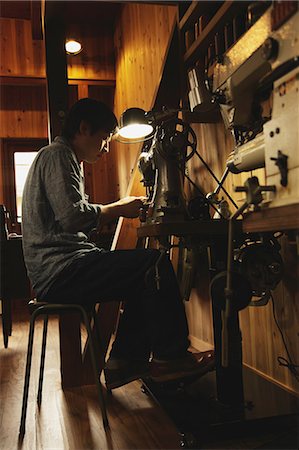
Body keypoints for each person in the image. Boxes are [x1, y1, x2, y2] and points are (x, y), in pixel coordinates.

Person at [22, 98, 214, 389]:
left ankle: (123, 362)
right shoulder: (58, 155)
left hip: (59, 269)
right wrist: (118, 208)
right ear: (83, 129)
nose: (106, 147)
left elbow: (69, 218)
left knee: (144, 277)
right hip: (60, 272)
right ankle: (170, 358)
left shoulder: (61, 158)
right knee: (154, 263)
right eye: (103, 138)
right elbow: (72, 217)